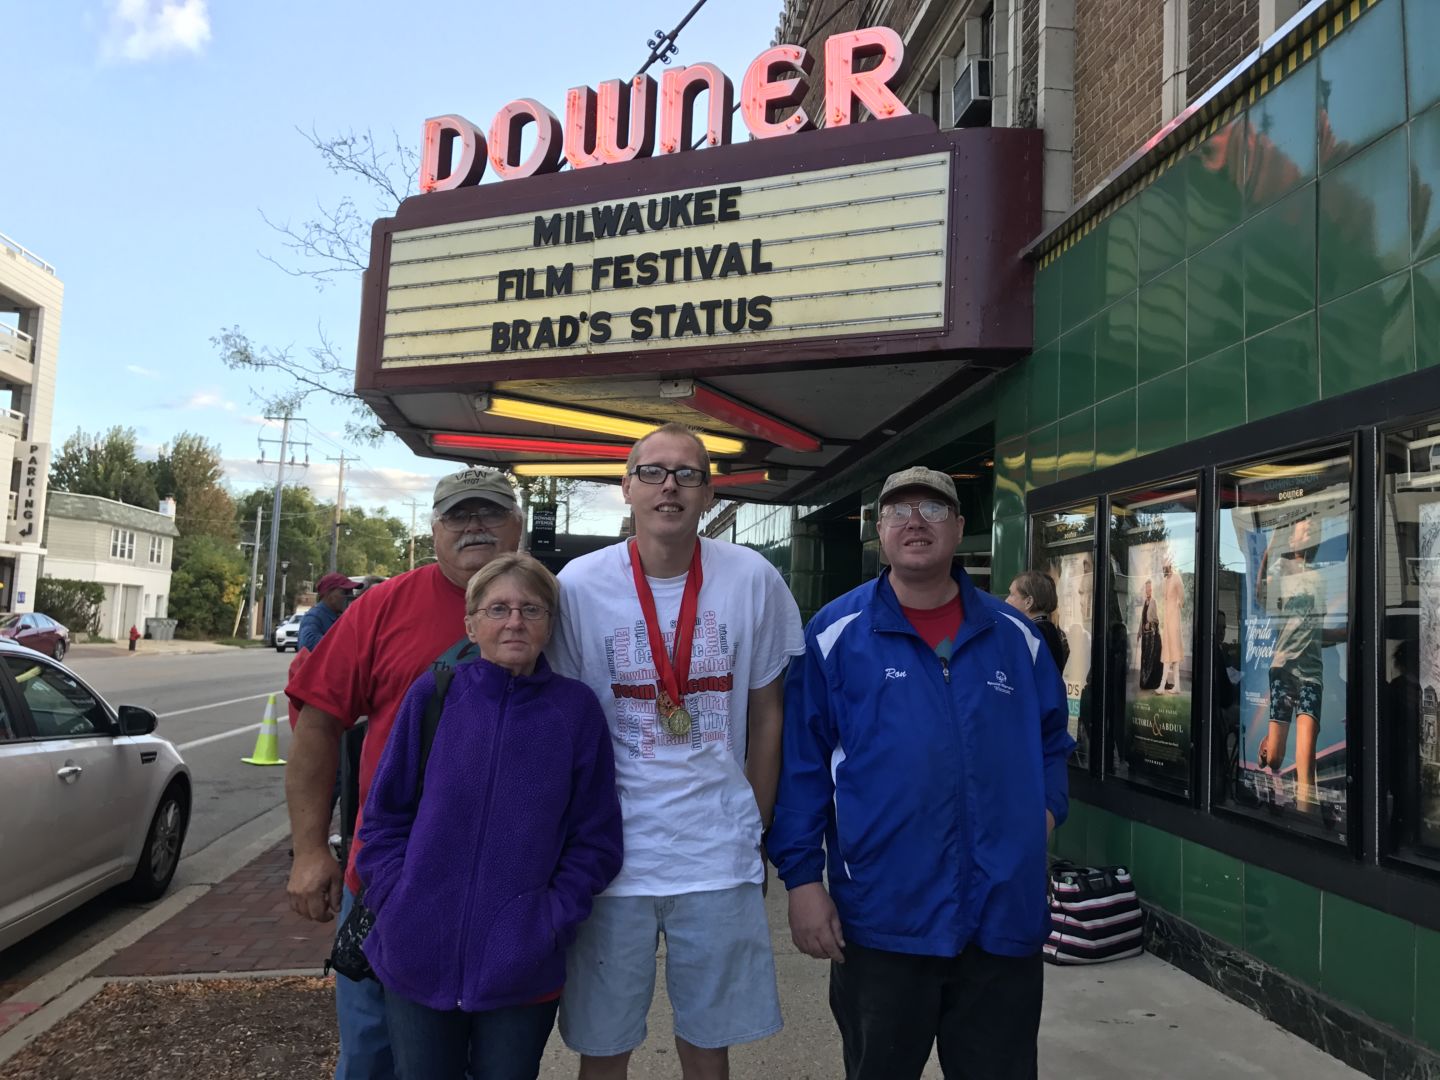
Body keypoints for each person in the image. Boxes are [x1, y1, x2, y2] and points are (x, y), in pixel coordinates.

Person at [770, 465, 1073, 1080]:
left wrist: (1042, 818)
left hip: (1000, 916)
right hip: (884, 918)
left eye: (933, 510)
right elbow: (801, 768)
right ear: (878, 531)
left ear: (960, 528)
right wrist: (802, 882)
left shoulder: (1018, 637)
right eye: (899, 511)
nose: (915, 522)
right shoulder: (834, 635)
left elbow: (1052, 743)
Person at [545, 422, 805, 1080]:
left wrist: (758, 820)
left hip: (715, 854)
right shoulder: (578, 585)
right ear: (626, 488)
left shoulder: (751, 578)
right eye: (654, 472)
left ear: (710, 493)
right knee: (602, 1046)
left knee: (709, 1044)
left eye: (688, 474)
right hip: (612, 858)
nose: (670, 486)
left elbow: (769, 708)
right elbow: (565, 720)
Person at [284, 467, 524, 1080]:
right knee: (373, 1053)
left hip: (507, 886)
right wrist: (310, 851)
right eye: (458, 515)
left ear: (517, 525)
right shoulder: (381, 608)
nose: (474, 526)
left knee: (490, 1059)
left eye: (490, 513)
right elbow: (317, 725)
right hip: (391, 877)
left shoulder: (545, 606)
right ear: (435, 528)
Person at [357, 554, 623, 1080]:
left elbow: (596, 840)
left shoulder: (575, 711)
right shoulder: (434, 695)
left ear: (551, 623)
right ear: (471, 624)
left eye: (531, 609)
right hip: (416, 952)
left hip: (521, 964)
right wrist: (397, 898)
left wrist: (548, 919)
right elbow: (383, 817)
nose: (515, 621)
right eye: (498, 608)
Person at [1004, 569, 1070, 671]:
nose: (1006, 600)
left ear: (1028, 602)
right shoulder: (1049, 630)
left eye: (1012, 594)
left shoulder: (1033, 633)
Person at [300, 573, 361, 652]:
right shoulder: (314, 617)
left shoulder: (340, 615)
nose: (351, 596)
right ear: (329, 594)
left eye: (352, 592)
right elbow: (307, 644)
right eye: (345, 592)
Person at [1159, 557, 1185, 694]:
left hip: (1174, 618)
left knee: (1173, 650)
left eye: (1166, 566)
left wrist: (1177, 605)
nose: (1164, 569)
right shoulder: (1165, 581)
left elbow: (1182, 597)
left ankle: (1163, 685)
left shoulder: (1176, 578)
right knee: (1168, 650)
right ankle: (1176, 686)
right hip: (1167, 619)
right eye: (1163, 567)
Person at [1138, 579, 1162, 691]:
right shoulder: (1144, 603)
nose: (1148, 590)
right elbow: (1141, 619)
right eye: (1146, 588)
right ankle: (1144, 682)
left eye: (1150, 588)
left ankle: (1150, 683)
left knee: (1151, 659)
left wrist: (1150, 624)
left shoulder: (1154, 602)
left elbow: (1157, 620)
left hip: (1152, 637)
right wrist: (1139, 632)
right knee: (1144, 658)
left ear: (1152, 590)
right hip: (1145, 637)